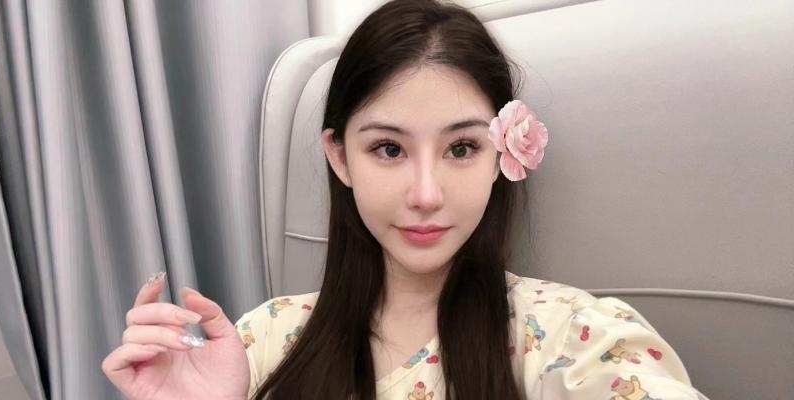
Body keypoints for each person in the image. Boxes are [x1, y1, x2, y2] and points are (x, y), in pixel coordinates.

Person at [102, 0, 711, 399]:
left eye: (461, 148)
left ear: (505, 153)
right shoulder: (263, 341)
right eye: (389, 149)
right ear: (340, 157)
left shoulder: (572, 338)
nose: (425, 195)